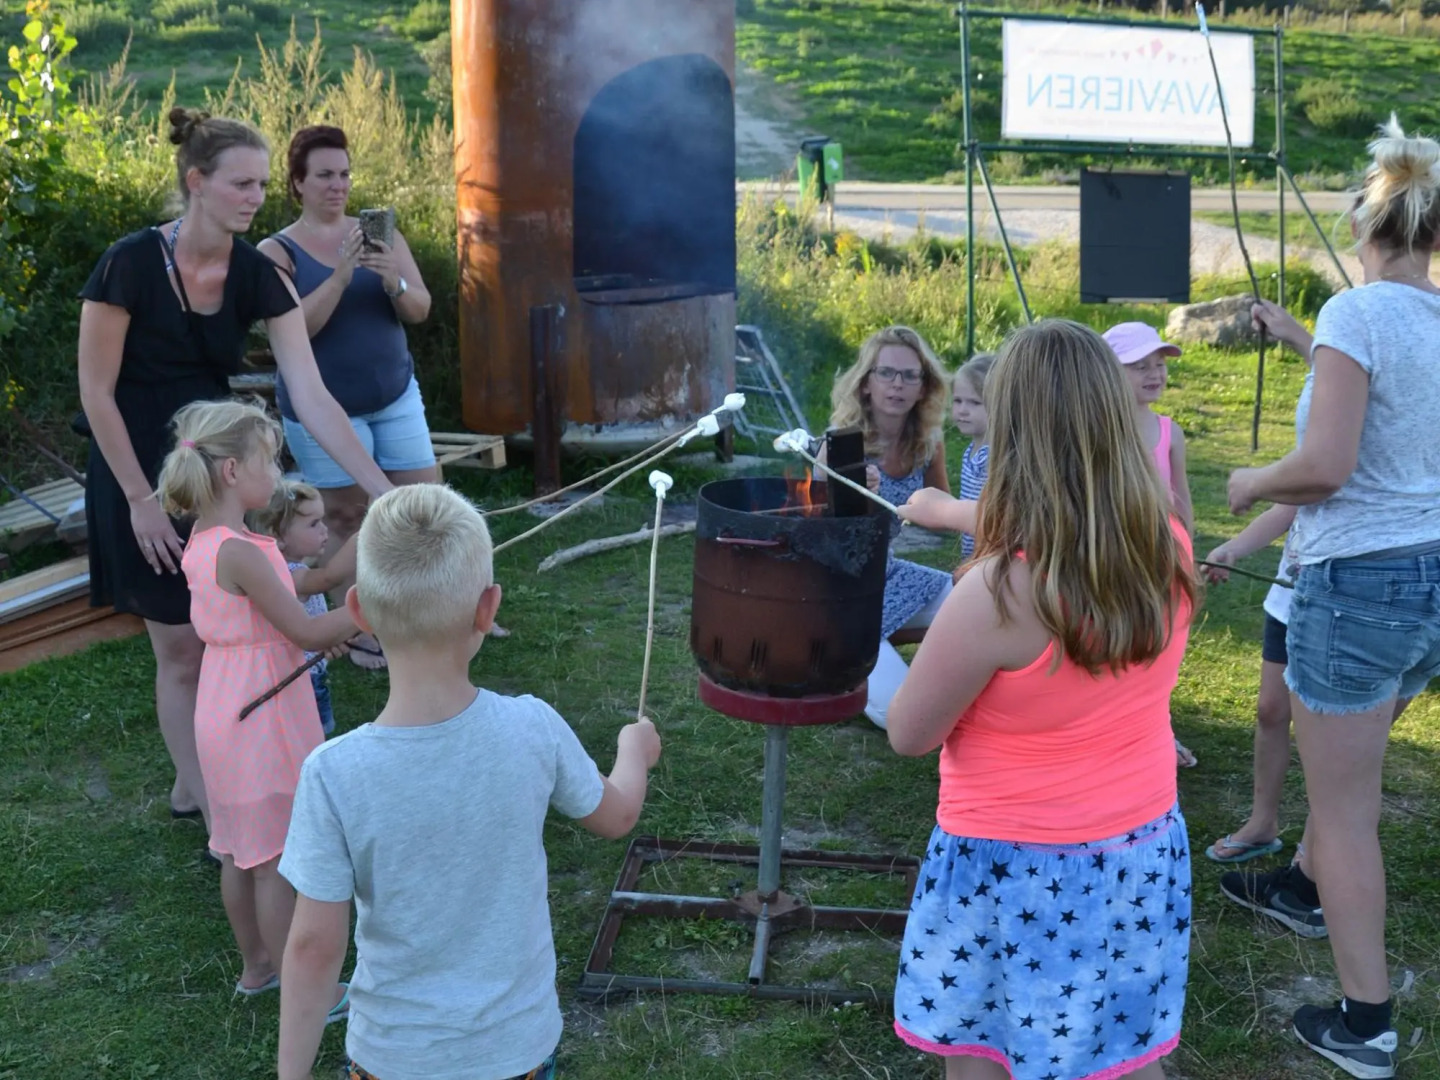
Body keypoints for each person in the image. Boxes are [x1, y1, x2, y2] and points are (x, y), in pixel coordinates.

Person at [889, 319, 1198, 1080]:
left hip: (1015, 866)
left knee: (986, 1050)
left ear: (1014, 428)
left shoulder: (996, 593)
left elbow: (909, 732)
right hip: (1140, 845)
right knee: (1119, 1053)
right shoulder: (1168, 544)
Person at [77, 108, 392, 843]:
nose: (257, 197)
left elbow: (309, 393)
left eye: (260, 184)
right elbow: (95, 391)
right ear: (197, 183)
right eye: (242, 183)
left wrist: (382, 486)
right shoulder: (127, 264)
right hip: (136, 469)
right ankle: (207, 802)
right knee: (180, 647)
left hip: (216, 470)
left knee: (234, 634)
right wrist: (138, 500)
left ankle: (225, 785)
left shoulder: (255, 273)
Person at [276, 484, 663, 1080]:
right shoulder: (532, 727)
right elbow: (616, 817)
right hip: (515, 1053)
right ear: (489, 608)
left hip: (392, 1060)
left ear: (358, 611)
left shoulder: (333, 773)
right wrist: (632, 750)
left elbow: (313, 948)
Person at [1225, 116, 1440, 1080]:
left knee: (1345, 806)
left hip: (1359, 585)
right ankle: (1304, 889)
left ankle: (1366, 1025)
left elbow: (1325, 469)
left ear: (1368, 223)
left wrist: (1249, 483)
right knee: (1350, 778)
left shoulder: (1357, 314)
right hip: (1433, 581)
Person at [155, 399, 354, 1015]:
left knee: (239, 850)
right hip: (261, 715)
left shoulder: (208, 540)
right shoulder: (242, 551)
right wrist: (373, 608)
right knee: (273, 861)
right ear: (233, 473)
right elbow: (309, 632)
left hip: (228, 701)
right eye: (269, 460)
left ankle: (257, 969)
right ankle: (306, 988)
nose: (277, 472)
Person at [257, 125, 447, 668]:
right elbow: (298, 330)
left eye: (344, 173)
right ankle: (360, 627)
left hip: (395, 397)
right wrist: (340, 276)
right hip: (322, 409)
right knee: (343, 518)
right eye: (324, 175)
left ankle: (442, 611)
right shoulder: (277, 252)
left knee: (428, 506)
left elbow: (420, 310)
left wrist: (394, 281)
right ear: (297, 183)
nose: (338, 185)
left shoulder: (382, 235)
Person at [827, 325, 952, 729]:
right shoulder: (839, 445)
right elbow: (811, 528)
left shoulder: (928, 444)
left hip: (889, 575)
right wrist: (857, 499)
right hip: (838, 594)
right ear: (865, 384)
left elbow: (946, 515)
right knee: (901, 715)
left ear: (923, 387)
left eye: (910, 376)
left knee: (982, 601)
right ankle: (837, 655)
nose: (897, 385)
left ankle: (869, 651)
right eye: (886, 373)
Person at [1104, 322, 1197, 769]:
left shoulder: (1169, 430)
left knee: (1157, 650)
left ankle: (1157, 732)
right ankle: (1110, 731)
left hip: (1161, 561)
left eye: (1158, 364)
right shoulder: (1100, 430)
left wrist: (1187, 559)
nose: (1153, 373)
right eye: (1138, 365)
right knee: (1112, 643)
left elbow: (1182, 502)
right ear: (1107, 371)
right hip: (1111, 557)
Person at [249, 478, 359, 737]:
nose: (325, 530)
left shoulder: (281, 570)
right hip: (300, 679)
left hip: (308, 671)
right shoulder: (287, 575)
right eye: (313, 524)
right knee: (312, 737)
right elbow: (328, 578)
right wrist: (360, 539)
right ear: (278, 537)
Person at [951, 352, 996, 562]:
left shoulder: (996, 456)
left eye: (974, 403)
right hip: (971, 553)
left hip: (990, 555)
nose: (962, 410)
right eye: (958, 401)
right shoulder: (972, 450)